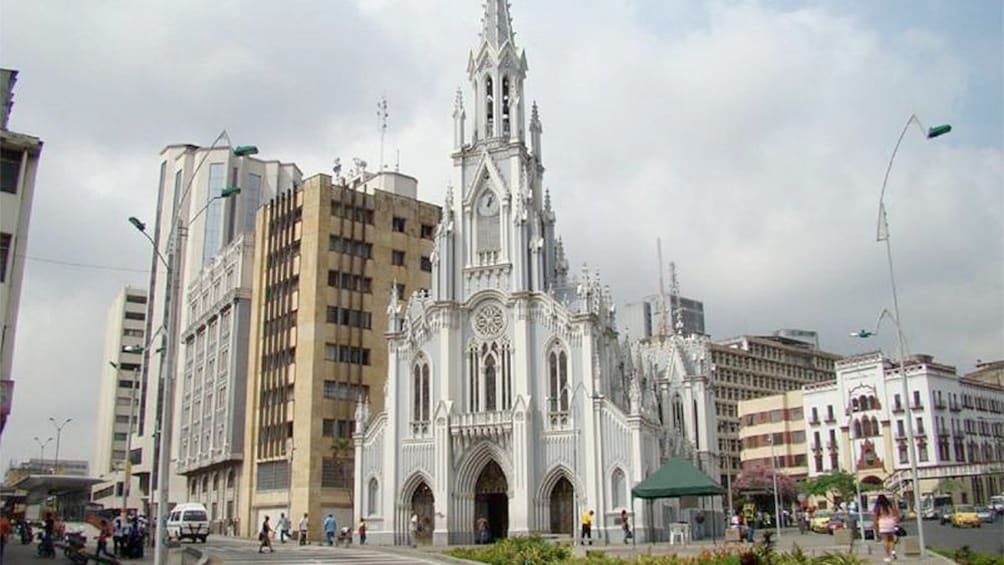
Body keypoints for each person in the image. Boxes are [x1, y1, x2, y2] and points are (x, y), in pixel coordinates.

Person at [873, 494, 900, 563]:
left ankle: (887, 556)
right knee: (891, 539)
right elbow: (896, 514)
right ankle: (893, 552)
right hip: (891, 522)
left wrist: (875, 526)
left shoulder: (878, 507)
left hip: (883, 523)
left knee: (885, 540)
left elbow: (875, 517)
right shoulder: (890, 506)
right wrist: (897, 523)